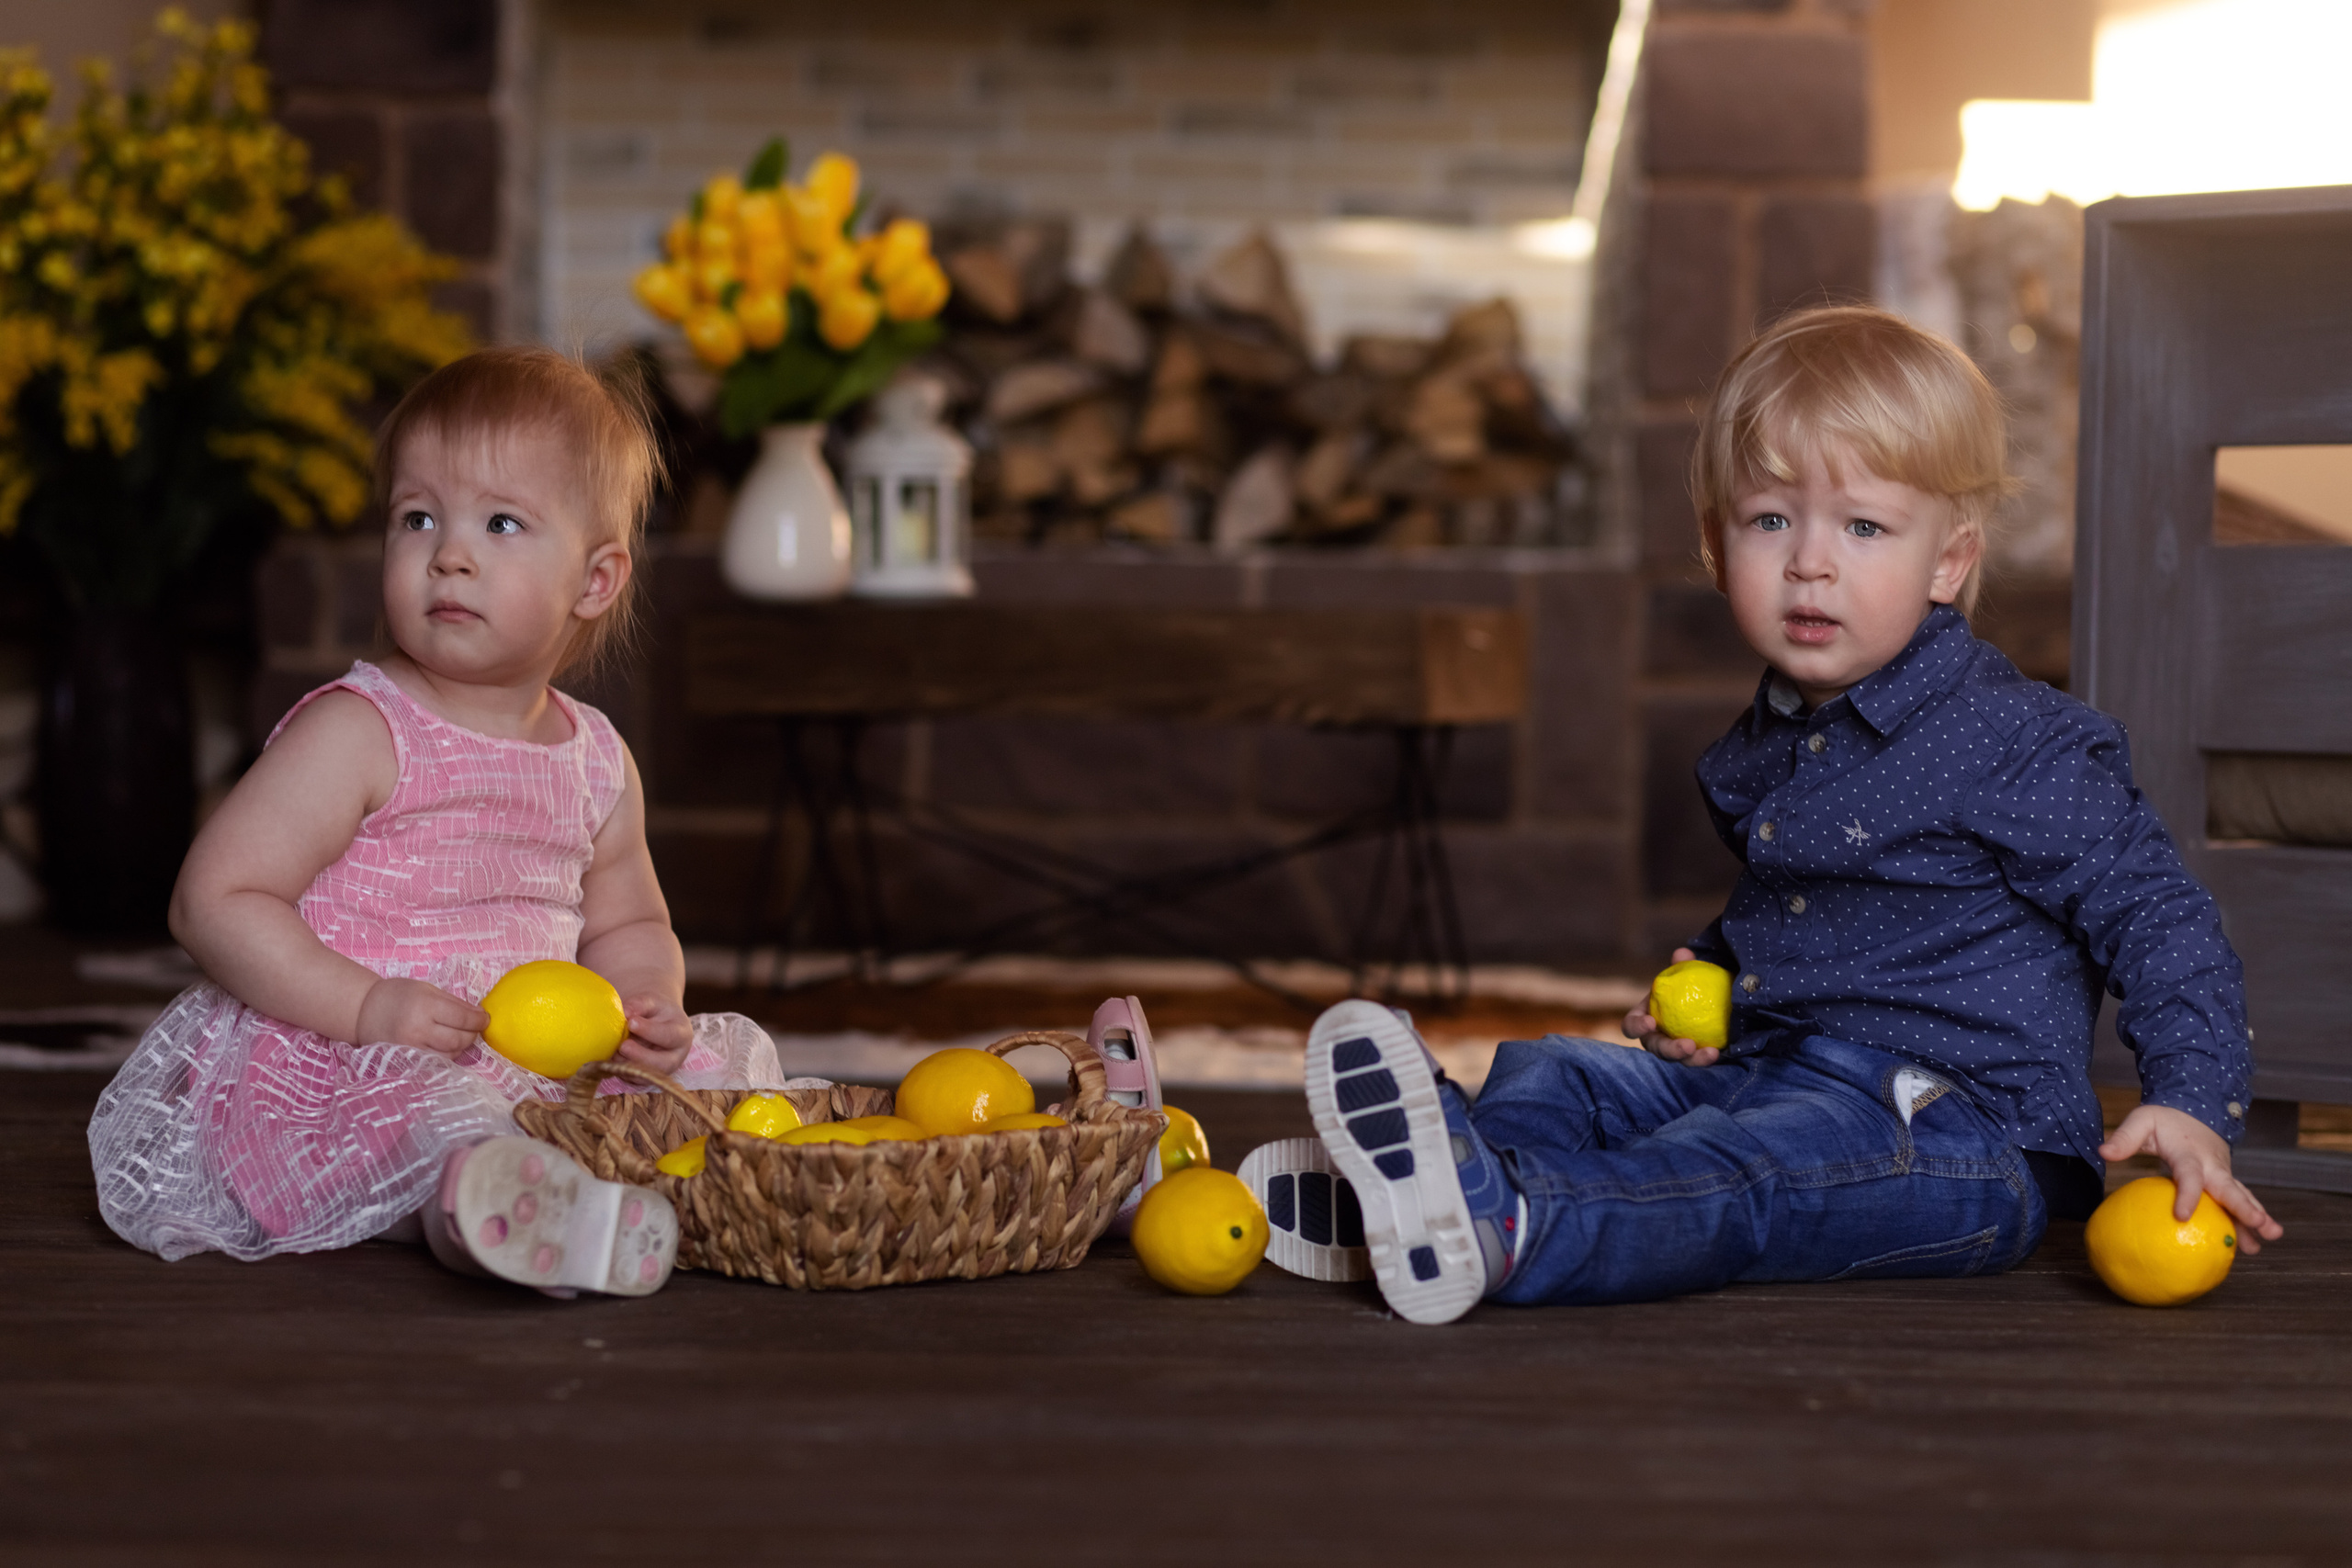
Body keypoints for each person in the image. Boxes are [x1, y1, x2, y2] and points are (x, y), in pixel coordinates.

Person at [1284, 305, 2282, 1325]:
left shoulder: (2013, 739)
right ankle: (1437, 1195)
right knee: (1558, 1071)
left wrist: (2191, 1102)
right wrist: (1710, 975)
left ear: (1946, 561)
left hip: (1955, 1137)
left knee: (1739, 1171)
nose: (1811, 561)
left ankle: (1518, 1225)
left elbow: (2161, 920)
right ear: (1718, 550)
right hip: (1773, 1073)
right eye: (1771, 521)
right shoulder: (1766, 741)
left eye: (1863, 527)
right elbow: (1796, 909)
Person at [88, 346, 788, 1297]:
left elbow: (628, 922)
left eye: (501, 523)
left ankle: (643, 1206)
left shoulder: (595, 759)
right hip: (352, 1048)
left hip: (535, 1059)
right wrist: (366, 1007)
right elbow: (213, 900)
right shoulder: (362, 729)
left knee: (705, 1090)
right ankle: (496, 1217)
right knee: (432, 1122)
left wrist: (640, 1008)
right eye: (417, 517)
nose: (447, 553)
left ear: (594, 581)